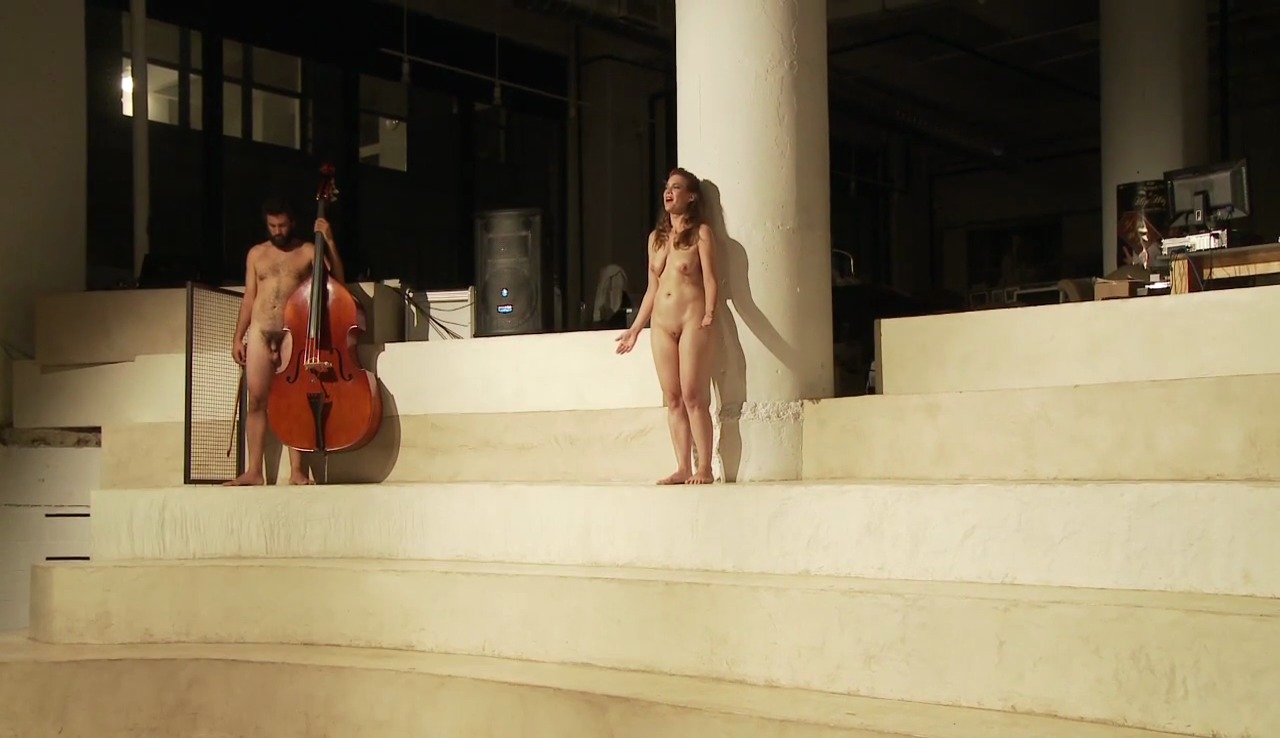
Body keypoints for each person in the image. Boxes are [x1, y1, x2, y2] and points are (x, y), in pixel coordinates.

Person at [224, 197, 345, 486]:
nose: (277, 231)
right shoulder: (256, 254)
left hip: (292, 331)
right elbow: (249, 297)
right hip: (260, 330)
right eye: (272, 226)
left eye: (282, 225)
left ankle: (297, 470)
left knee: (295, 398)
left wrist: (329, 240)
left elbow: (337, 281)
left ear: (292, 222)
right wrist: (237, 336)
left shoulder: (307, 251)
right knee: (255, 399)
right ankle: (254, 471)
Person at [616, 167, 718, 484]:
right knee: (672, 397)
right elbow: (652, 289)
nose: (668, 192)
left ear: (691, 197)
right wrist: (635, 328)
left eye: (676, 187)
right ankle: (683, 466)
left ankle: (705, 467)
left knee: (692, 395)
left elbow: (710, 278)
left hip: (691, 318)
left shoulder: (701, 233)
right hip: (661, 322)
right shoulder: (656, 239)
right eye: (667, 187)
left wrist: (710, 312)